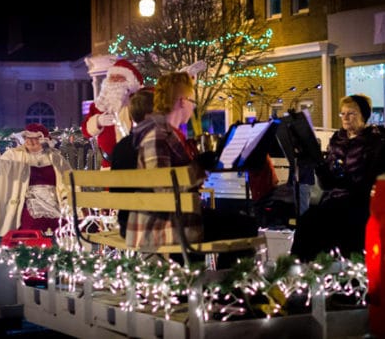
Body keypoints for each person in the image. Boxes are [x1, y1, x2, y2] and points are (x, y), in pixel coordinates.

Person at [126, 72, 258, 266]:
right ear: (181, 101)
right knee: (245, 224)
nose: (193, 106)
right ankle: (227, 290)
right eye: (191, 100)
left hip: (173, 218)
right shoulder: (158, 135)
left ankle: (208, 284)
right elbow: (164, 189)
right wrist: (198, 168)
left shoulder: (163, 132)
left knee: (236, 221)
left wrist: (200, 166)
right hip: (167, 224)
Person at [291, 94, 384, 262]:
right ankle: (299, 270)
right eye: (343, 113)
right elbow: (326, 183)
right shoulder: (337, 140)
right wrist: (318, 164)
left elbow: (370, 179)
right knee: (307, 220)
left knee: (336, 221)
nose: (346, 118)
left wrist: (344, 179)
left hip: (358, 202)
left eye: (351, 113)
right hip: (333, 199)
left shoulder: (374, 142)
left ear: (364, 115)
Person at [0, 123, 72, 237]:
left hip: (54, 203)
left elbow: (70, 182)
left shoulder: (56, 158)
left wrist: (73, 206)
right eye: (28, 137)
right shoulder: (14, 155)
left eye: (36, 138)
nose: (30, 141)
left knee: (63, 229)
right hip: (28, 202)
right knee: (33, 227)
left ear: (45, 140)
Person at [81, 58, 144, 169]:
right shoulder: (98, 106)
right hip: (108, 165)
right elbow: (85, 131)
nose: (114, 81)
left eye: (119, 78)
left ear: (130, 82)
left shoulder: (139, 101)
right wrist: (98, 121)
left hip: (136, 163)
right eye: (112, 78)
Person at [111, 87, 154, 237]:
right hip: (151, 225)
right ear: (151, 114)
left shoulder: (121, 146)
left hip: (126, 223)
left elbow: (116, 192)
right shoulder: (155, 142)